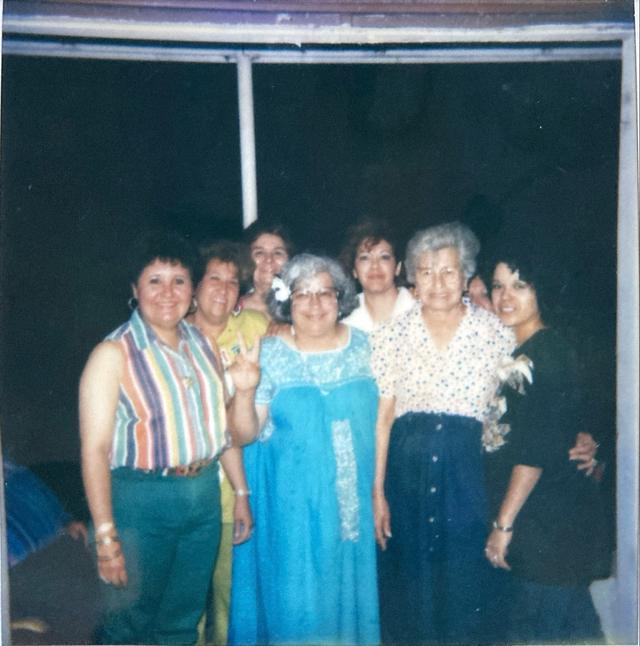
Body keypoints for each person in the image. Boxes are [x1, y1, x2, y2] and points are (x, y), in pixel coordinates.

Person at [370, 221, 598, 645]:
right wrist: (377, 491)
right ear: (413, 279)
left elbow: (538, 400)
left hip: (470, 476)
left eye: (449, 271)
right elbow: (383, 418)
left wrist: (583, 435)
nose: (437, 282)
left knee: (468, 591)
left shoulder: (497, 333)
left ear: (466, 276)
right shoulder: (389, 335)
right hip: (407, 475)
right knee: (411, 593)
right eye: (426, 272)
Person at [79, 230, 253, 645]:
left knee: (180, 621)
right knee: (129, 625)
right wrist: (106, 536)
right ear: (135, 289)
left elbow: (221, 431)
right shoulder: (113, 353)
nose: (167, 292)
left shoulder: (203, 345)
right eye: (154, 280)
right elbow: (94, 450)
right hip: (140, 504)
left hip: (202, 500)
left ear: (192, 290)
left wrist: (241, 492)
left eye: (178, 280)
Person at [228, 253, 380, 646]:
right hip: (292, 516)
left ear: (341, 298)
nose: (314, 305)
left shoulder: (368, 348)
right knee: (299, 616)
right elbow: (244, 434)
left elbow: (384, 424)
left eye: (324, 293)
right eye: (302, 295)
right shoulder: (270, 354)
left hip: (354, 514)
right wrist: (244, 391)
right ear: (287, 303)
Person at [483, 246, 609, 643]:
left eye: (520, 285)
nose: (506, 297)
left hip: (546, 524)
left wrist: (503, 525)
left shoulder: (546, 353)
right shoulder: (526, 351)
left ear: (541, 292)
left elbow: (533, 452)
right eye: (498, 286)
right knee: (574, 627)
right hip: (550, 523)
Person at [188, 240, 268, 646]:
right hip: (188, 489)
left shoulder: (254, 329)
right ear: (196, 287)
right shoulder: (176, 337)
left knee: (230, 604)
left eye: (232, 281)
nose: (222, 289)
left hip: (238, 486)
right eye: (213, 278)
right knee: (186, 609)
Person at [340, 218, 415, 332]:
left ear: (397, 268)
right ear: (354, 270)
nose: (375, 266)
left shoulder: (421, 309)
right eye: (365, 258)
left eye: (384, 257)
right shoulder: (345, 325)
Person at [239, 220, 294, 316]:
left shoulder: (302, 307)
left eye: (278, 253)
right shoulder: (231, 310)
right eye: (259, 253)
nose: (269, 260)